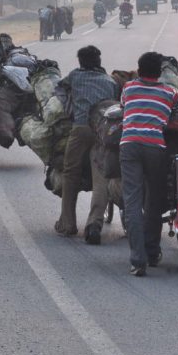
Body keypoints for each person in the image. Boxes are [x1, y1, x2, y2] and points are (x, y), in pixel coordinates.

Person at [119, 51, 178, 276]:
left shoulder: (128, 88)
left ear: (139, 70)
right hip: (156, 147)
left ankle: (138, 260)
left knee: (133, 202)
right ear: (160, 73)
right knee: (154, 201)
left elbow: (123, 106)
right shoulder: (169, 92)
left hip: (129, 146)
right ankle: (153, 251)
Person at [55, 45, 118, 241]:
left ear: (81, 62)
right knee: (101, 177)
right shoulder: (110, 81)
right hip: (103, 132)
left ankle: (68, 224)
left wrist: (70, 110)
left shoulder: (74, 76)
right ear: (99, 61)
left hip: (80, 128)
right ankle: (93, 225)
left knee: (70, 173)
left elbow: (59, 88)